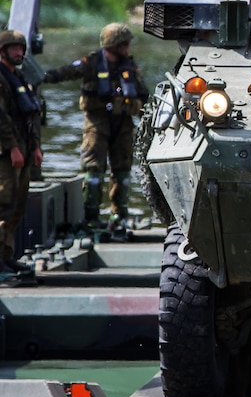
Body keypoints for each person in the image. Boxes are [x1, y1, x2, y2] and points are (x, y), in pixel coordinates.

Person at [41, 23, 149, 238]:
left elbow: (143, 95)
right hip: (96, 124)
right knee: (93, 172)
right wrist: (42, 77)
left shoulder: (129, 66)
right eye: (124, 43)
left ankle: (119, 216)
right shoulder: (92, 63)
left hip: (123, 124)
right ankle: (91, 218)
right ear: (114, 44)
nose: (128, 47)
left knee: (123, 172)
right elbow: (66, 72)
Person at [0, 30, 42, 275]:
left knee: (17, 204)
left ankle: (7, 255)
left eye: (21, 48)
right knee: (4, 204)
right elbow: (1, 119)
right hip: (7, 152)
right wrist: (13, 148)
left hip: (25, 148)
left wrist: (35, 147)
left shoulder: (21, 79)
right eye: (14, 48)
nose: (19, 52)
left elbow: (31, 117)